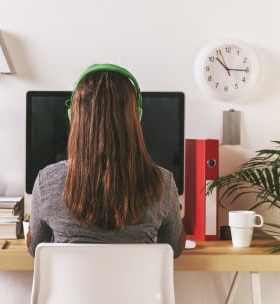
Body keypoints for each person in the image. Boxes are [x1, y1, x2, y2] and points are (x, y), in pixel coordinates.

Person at [27, 64, 185, 258]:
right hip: (135, 289)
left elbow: (35, 249)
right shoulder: (162, 182)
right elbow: (174, 249)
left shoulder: (47, 181)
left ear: (73, 114)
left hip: (72, 290)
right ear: (137, 115)